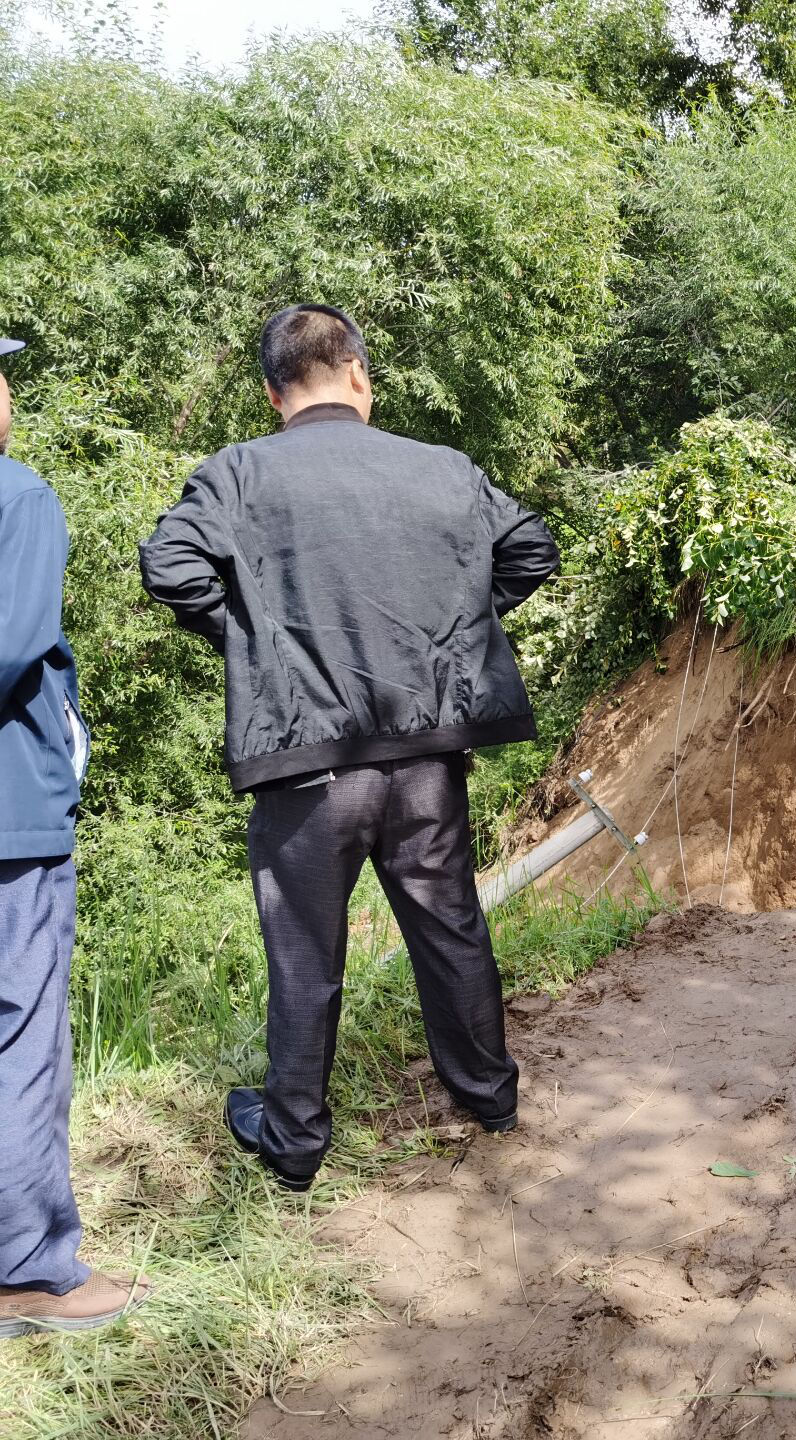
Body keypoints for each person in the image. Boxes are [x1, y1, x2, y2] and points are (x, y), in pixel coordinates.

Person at [140, 304, 559, 1192]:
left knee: (304, 955)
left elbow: (168, 565)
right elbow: (530, 550)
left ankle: (294, 1144)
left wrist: (265, 654)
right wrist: (445, 646)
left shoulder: (239, 474)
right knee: (451, 930)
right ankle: (491, 1100)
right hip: (425, 760)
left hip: (305, 769)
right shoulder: (441, 469)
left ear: (272, 391)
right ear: (359, 374)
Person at [0, 334, 153, 1338]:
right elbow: (11, 642)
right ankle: (31, 1270)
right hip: (11, 818)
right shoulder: (17, 495)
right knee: (23, 1038)